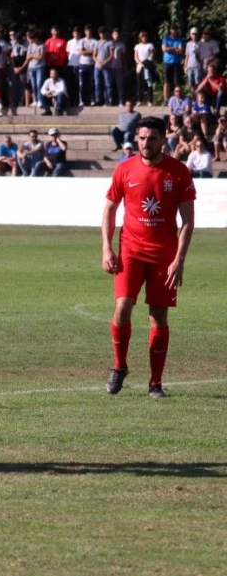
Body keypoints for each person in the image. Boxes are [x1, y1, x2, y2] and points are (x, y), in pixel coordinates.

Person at [102, 115, 196, 398]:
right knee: (123, 306)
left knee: (158, 317)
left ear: (163, 139)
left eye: (151, 138)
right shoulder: (124, 169)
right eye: (141, 138)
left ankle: (155, 383)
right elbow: (109, 209)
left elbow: (188, 220)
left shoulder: (178, 172)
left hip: (164, 256)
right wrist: (107, 247)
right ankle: (120, 367)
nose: (145, 143)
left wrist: (179, 259)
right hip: (130, 250)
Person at [161, 27, 185, 103]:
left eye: (175, 29)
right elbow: (164, 49)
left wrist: (170, 49)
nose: (174, 31)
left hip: (176, 62)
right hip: (167, 62)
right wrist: (175, 48)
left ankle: (177, 98)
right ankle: (166, 99)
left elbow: (181, 50)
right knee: (167, 82)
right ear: (170, 30)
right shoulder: (166, 39)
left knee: (177, 82)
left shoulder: (180, 39)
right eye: (172, 29)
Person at [134, 31, 157, 105]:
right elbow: (136, 57)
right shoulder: (137, 46)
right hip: (140, 66)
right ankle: (139, 100)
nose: (144, 38)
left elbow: (152, 55)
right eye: (142, 36)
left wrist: (146, 63)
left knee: (149, 83)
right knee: (139, 84)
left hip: (148, 65)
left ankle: (150, 100)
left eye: (145, 36)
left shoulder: (150, 45)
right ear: (140, 38)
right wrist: (141, 63)